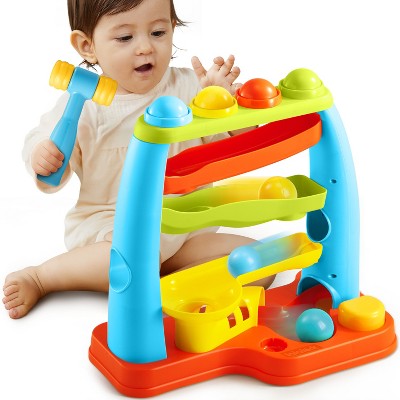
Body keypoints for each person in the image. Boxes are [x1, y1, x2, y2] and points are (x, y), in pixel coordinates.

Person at [2, 0, 274, 319]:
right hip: (112, 227)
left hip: (181, 229)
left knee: (258, 261)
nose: (145, 47)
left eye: (157, 32)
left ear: (173, 28)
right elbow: (46, 152)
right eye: (125, 37)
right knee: (129, 260)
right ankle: (42, 277)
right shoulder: (83, 104)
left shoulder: (191, 88)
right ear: (87, 46)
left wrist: (224, 108)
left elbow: (237, 147)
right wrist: (42, 155)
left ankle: (164, 285)